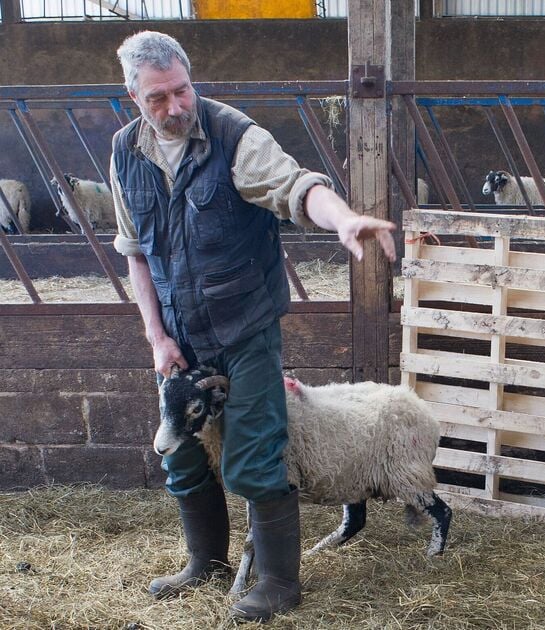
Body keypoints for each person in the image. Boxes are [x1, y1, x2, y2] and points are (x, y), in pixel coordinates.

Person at [110, 31, 397, 622]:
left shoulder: (235, 136)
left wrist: (341, 219)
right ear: (132, 96)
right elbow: (136, 253)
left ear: (193, 80)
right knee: (183, 457)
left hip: (244, 329)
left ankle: (277, 584)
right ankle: (206, 564)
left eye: (182, 91)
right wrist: (156, 337)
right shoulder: (124, 153)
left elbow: (297, 187)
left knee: (256, 456)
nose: (175, 107)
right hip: (179, 341)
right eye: (158, 98)